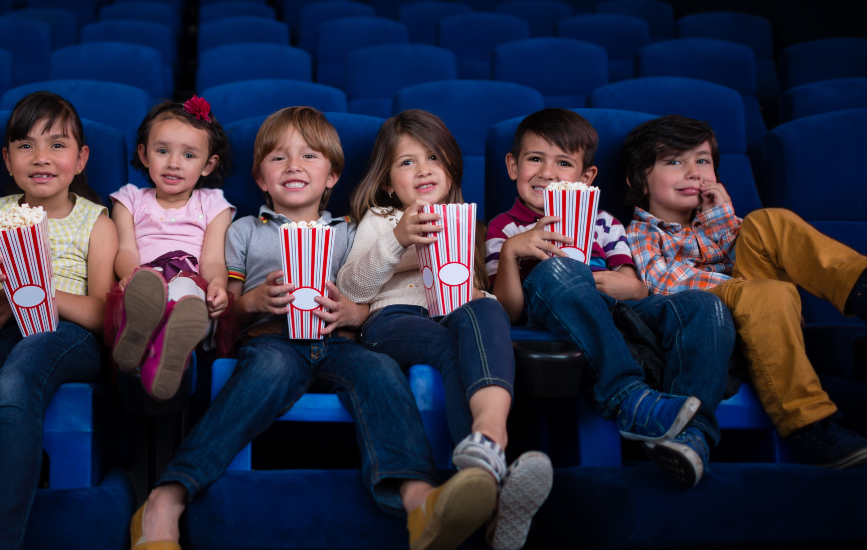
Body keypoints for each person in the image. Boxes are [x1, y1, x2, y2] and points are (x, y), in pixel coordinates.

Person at [132, 107, 491, 550]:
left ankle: (420, 501)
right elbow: (228, 311)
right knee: (267, 371)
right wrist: (254, 302)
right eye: (278, 158)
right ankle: (167, 497)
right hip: (272, 339)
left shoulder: (349, 232)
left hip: (340, 343)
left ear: (333, 176)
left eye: (309, 156)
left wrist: (352, 313)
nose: (294, 166)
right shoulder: (245, 231)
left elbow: (366, 296)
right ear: (261, 178)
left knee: (380, 371)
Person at [338, 109, 552, 550]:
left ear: (451, 168)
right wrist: (398, 239)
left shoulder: (467, 224)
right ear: (387, 182)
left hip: (453, 314)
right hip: (393, 318)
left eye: (433, 157)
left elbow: (481, 301)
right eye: (407, 162)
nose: (423, 169)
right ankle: (494, 487)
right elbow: (352, 287)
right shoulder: (382, 218)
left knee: (485, 312)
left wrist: (480, 295)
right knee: (449, 346)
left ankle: (489, 438)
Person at [487, 109, 735, 487]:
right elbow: (507, 312)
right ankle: (629, 399)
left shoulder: (604, 223)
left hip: (620, 310)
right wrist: (510, 254)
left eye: (563, 163)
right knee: (558, 271)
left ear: (586, 178)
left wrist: (627, 285)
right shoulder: (505, 228)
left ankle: (692, 435)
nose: (547, 173)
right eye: (535, 159)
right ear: (513, 166)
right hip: (561, 313)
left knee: (706, 305)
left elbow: (636, 287)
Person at [623, 114, 867, 469]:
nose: (693, 172)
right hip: (710, 330)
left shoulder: (720, 222)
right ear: (638, 181)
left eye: (702, 161)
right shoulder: (640, 233)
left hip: (767, 317)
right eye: (674, 162)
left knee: (767, 222)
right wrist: (760, 294)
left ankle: (860, 287)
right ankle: (809, 429)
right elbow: (663, 285)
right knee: (766, 294)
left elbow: (757, 255)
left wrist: (722, 220)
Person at [0, 91, 118, 550]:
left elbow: (101, 314)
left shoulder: (97, 223)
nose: (41, 157)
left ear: (80, 159)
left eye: (57, 145)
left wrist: (33, 293)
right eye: (25, 145)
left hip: (66, 335)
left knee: (15, 386)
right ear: (8, 159)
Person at [108, 96, 235, 400]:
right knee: (143, 294)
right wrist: (132, 276)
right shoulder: (130, 199)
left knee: (186, 295)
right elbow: (126, 251)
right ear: (144, 154)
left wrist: (218, 284)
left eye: (189, 155)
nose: (173, 163)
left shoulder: (213, 204)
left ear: (208, 164)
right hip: (144, 281)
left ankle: (165, 345)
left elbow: (213, 259)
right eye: (162, 151)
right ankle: (145, 341)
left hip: (190, 282)